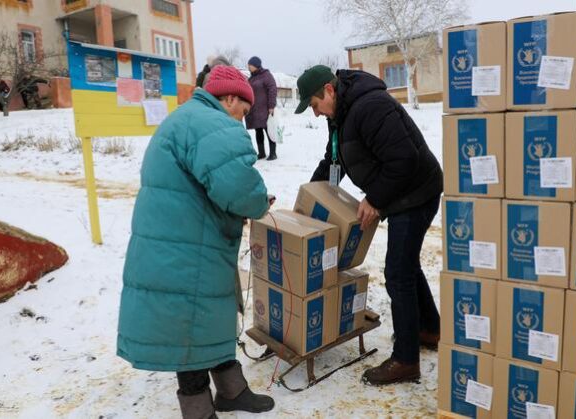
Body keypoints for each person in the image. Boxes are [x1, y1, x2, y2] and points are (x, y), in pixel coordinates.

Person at [117, 65, 275, 418]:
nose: (242, 120)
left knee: (209, 317)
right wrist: (259, 202)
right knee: (189, 327)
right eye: (244, 112)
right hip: (184, 247)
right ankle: (198, 410)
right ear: (230, 98)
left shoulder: (190, 117)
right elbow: (237, 186)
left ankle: (231, 390)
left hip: (184, 237)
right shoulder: (211, 123)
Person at [295, 65, 443, 386]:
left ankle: (406, 360)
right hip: (402, 193)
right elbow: (333, 162)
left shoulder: (369, 106)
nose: (316, 113)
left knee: (397, 273)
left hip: (416, 192)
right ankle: (429, 328)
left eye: (314, 105)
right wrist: (307, 201)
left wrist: (375, 198)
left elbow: (404, 157)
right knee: (406, 265)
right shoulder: (340, 117)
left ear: (329, 90)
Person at [245, 56, 278, 160]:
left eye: (250, 65)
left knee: (269, 130)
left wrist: (271, 106)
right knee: (258, 131)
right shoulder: (251, 78)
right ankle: (261, 153)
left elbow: (272, 90)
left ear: (256, 65)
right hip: (254, 110)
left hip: (265, 109)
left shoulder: (266, 75)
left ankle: (273, 153)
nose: (248, 67)